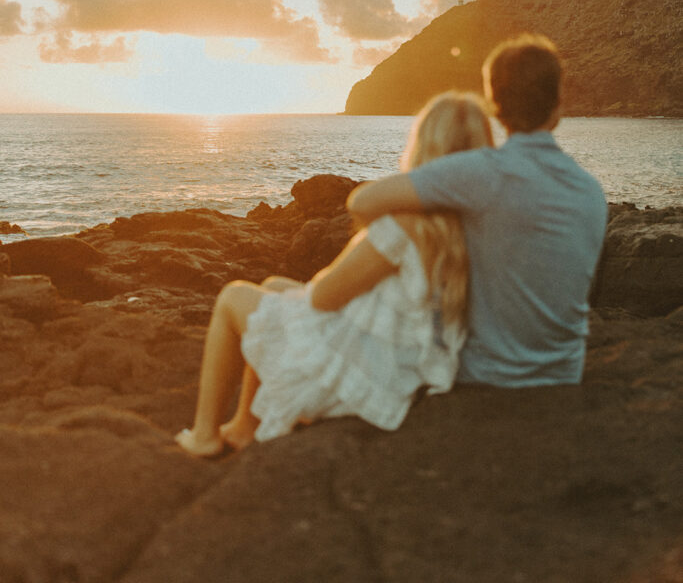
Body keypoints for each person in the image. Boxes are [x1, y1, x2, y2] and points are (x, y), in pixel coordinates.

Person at [176, 92, 493, 457]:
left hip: (377, 372)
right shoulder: (480, 224)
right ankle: (246, 425)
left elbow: (323, 297)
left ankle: (204, 437)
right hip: (412, 359)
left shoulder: (406, 223)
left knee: (234, 296)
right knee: (274, 287)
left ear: (424, 149)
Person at [347, 34, 608, 387]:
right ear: (559, 100)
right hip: (564, 374)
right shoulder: (590, 190)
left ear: (495, 103)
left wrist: (429, 237)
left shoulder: (481, 172)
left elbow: (363, 202)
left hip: (486, 377)